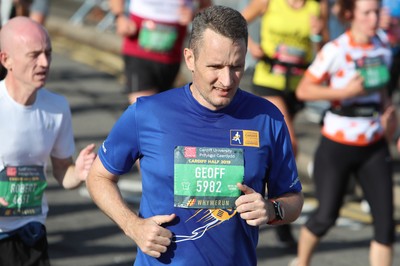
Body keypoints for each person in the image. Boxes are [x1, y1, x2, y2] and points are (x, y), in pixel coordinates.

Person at [86, 5, 303, 265]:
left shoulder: (267, 118)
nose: (226, 80)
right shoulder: (148, 113)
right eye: (215, 66)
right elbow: (98, 176)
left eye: (237, 66)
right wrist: (133, 226)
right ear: (190, 58)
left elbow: (293, 198)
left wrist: (271, 209)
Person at [292, 1, 395, 265]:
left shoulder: (383, 47)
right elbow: (304, 90)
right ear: (350, 15)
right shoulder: (336, 50)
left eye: (376, 11)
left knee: (385, 227)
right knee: (326, 216)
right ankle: (301, 262)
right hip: (338, 145)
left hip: (374, 144)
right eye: (367, 13)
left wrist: (389, 117)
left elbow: (381, 89)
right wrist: (343, 93)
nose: (374, 18)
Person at [0, 17, 97, 266]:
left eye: (48, 53)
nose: (44, 63)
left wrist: (80, 173)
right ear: (6, 60)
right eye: (34, 55)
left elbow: (63, 171)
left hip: (30, 232)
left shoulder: (56, 107)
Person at [240, 0, 322, 248]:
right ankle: (279, 204)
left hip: (296, 84)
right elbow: (238, 22)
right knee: (291, 142)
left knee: (278, 147)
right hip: (269, 79)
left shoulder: (315, 8)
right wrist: (251, 46)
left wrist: (317, 33)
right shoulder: (269, 2)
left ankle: (276, 206)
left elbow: (324, 48)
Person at [109, 0, 212, 104]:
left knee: (161, 109)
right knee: (143, 106)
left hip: (170, 57)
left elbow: (206, 7)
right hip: (138, 50)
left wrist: (194, 14)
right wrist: (119, 17)